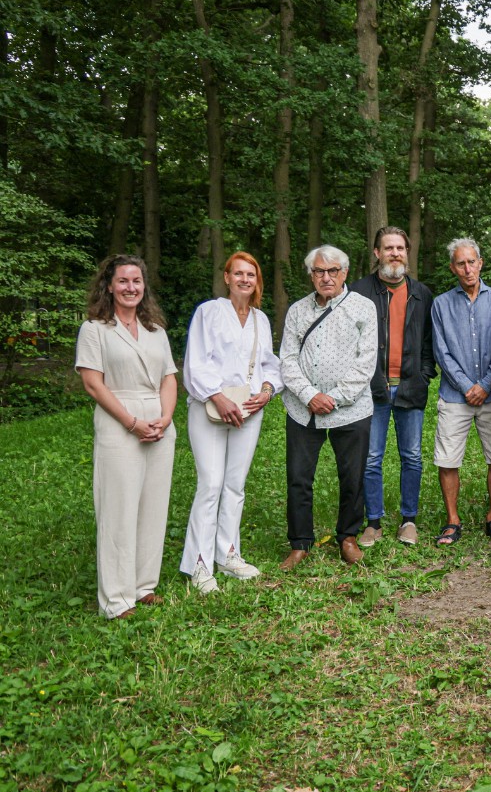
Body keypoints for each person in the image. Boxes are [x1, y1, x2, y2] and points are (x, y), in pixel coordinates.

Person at [75, 255, 178, 619]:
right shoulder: (95, 329)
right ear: (109, 286)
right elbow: (93, 383)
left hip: (159, 422)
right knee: (118, 510)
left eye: (137, 281)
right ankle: (116, 599)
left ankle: (143, 585)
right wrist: (133, 422)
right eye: (123, 281)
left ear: (144, 286)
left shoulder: (156, 331)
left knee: (153, 507)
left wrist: (165, 417)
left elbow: (169, 377)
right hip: (120, 420)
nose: (131, 287)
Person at [180, 251, 283, 594]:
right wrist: (217, 397)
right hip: (210, 407)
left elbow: (270, 364)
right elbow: (196, 362)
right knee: (210, 483)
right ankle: (199, 563)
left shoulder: (260, 320)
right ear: (226, 277)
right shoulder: (208, 312)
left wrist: (268, 390)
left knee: (235, 485)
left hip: (249, 410)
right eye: (237, 273)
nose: (244, 279)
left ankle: (228, 554)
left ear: (257, 281)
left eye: (250, 275)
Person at [278, 245, 378, 570]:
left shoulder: (363, 308)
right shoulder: (296, 311)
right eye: (319, 271)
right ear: (311, 275)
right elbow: (288, 359)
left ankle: (348, 538)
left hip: (350, 409)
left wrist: (334, 397)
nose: (326, 277)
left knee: (352, 477)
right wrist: (309, 395)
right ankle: (300, 544)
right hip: (302, 409)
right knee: (299, 477)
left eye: (332, 271)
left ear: (344, 273)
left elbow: (366, 363)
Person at [351, 227, 435, 548]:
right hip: (372, 390)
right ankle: (373, 522)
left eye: (401, 248)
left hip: (410, 387)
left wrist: (424, 374)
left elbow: (429, 341)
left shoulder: (422, 294)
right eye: (389, 248)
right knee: (371, 457)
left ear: (407, 253)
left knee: (411, 456)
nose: (395, 253)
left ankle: (409, 519)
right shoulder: (358, 292)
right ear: (377, 253)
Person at [431, 238, 491, 547]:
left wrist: (486, 384)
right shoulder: (441, 304)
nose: (467, 268)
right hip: (455, 396)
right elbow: (441, 351)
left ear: (480, 263)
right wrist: (468, 386)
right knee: (448, 459)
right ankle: (453, 519)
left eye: (472, 262)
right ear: (453, 267)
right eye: (460, 263)